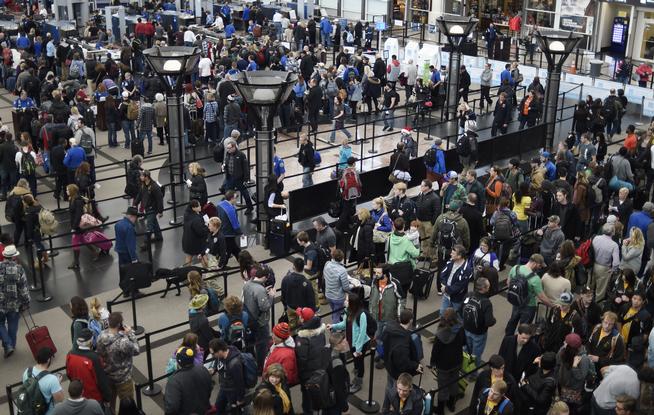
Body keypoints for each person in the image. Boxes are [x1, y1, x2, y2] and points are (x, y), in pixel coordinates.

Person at [96, 311, 140, 413]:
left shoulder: (101, 336)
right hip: (124, 378)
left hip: (108, 376)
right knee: (127, 406)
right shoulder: (123, 342)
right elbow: (137, 350)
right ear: (120, 324)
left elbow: (99, 352)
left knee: (110, 406)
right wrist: (130, 334)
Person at [329, 293, 370, 394]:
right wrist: (333, 326)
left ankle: (358, 382)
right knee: (356, 363)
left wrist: (358, 350)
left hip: (360, 344)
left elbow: (362, 333)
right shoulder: (348, 311)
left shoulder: (362, 314)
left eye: (347, 300)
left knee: (359, 364)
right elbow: (344, 324)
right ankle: (356, 379)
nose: (344, 301)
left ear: (352, 303)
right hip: (352, 342)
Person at [504, 254, 552, 336]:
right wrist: (551, 305)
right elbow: (541, 297)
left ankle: (508, 338)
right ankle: (520, 339)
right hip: (529, 306)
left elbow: (508, 283)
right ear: (535, 263)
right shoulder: (535, 278)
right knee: (524, 327)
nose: (540, 268)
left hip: (516, 301)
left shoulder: (515, 268)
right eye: (540, 265)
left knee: (513, 320)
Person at [430, 307, 465, 415]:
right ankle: (451, 404)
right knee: (454, 382)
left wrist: (433, 363)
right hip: (457, 361)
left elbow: (435, 351)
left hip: (443, 365)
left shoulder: (440, 334)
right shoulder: (460, 328)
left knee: (443, 386)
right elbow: (464, 342)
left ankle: (440, 409)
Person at [370, 265, 405, 369]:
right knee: (378, 337)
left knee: (387, 340)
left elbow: (401, 299)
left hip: (390, 318)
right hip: (377, 317)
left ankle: (386, 358)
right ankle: (381, 354)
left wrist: (399, 315)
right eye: (375, 273)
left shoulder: (394, 284)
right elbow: (372, 296)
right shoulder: (374, 282)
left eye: (378, 273)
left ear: (384, 274)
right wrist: (371, 311)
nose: (376, 275)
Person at [65, 328, 111, 405]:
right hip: (94, 398)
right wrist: (107, 397)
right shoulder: (94, 358)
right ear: (90, 341)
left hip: (79, 395)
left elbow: (69, 374)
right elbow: (101, 380)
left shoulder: (70, 354)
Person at [295, 306, 327, 413]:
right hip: (319, 368)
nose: (299, 317)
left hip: (308, 373)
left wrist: (300, 373)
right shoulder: (320, 331)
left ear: (303, 319)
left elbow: (301, 359)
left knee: (307, 396)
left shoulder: (302, 338)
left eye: (300, 316)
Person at [163, 346, 212, 415]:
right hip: (202, 409)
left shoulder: (174, 381)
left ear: (178, 362)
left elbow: (172, 408)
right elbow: (209, 388)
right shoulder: (203, 369)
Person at [0, 244, 29, 358]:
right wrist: (26, 302)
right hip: (14, 303)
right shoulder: (19, 269)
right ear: (14, 257)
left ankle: (7, 345)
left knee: (0, 323)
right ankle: (11, 344)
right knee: (13, 324)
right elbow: (23, 288)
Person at [243, 267, 274, 371]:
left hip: (249, 318)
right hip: (260, 322)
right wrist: (271, 296)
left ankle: (250, 362)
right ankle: (261, 368)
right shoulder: (259, 290)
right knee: (262, 346)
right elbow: (265, 307)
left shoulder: (247, 284)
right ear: (265, 277)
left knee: (251, 343)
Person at [556, 333, 595, 413]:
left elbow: (581, 377)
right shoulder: (564, 351)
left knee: (571, 409)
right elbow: (558, 362)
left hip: (574, 391)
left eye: (566, 342)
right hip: (562, 386)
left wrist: (574, 366)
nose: (564, 342)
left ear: (570, 347)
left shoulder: (584, 359)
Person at [463, 277, 496, 369]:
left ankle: (464, 368)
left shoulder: (469, 295)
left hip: (466, 328)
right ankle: (472, 373)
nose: (489, 287)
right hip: (479, 333)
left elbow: (461, 309)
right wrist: (494, 320)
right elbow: (489, 322)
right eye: (488, 286)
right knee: (476, 355)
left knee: (466, 351)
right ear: (484, 288)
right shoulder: (486, 302)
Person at [22, 347, 65, 415]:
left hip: (30, 409)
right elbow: (60, 399)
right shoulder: (52, 379)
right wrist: (58, 383)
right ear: (48, 360)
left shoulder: (27, 371)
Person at [208, 339, 246, 415]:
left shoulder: (234, 364)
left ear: (220, 351)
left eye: (213, 353)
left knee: (234, 411)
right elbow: (218, 362)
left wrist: (240, 398)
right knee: (218, 407)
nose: (212, 355)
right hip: (224, 387)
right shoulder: (219, 356)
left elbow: (239, 382)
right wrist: (214, 369)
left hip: (232, 391)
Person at [280, 258, 317, 330]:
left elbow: (283, 295)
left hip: (290, 307)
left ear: (293, 266)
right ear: (303, 267)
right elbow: (311, 300)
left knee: (292, 326)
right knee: (303, 326)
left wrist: (285, 306)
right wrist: (312, 312)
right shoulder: (307, 283)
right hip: (303, 311)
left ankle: (293, 337)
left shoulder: (286, 279)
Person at [439, 244, 472, 317]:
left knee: (456, 317)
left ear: (459, 256)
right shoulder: (451, 261)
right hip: (447, 294)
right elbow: (443, 273)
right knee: (442, 313)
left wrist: (446, 288)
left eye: (453, 253)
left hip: (457, 298)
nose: (450, 254)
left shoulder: (466, 270)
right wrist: (444, 285)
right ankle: (443, 327)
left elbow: (459, 286)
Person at [134, 169, 164, 250]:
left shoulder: (154, 186)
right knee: (154, 222)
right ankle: (158, 237)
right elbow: (140, 194)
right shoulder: (143, 184)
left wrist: (160, 211)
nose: (140, 177)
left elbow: (159, 199)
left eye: (142, 176)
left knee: (149, 226)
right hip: (147, 208)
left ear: (146, 177)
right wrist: (135, 203)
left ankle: (146, 243)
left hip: (152, 209)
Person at [222, 138, 253, 214]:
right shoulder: (227, 154)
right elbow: (226, 163)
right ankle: (228, 208)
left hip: (239, 179)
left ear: (234, 147)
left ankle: (250, 207)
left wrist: (246, 179)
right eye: (227, 148)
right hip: (230, 177)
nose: (228, 150)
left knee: (245, 193)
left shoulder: (241, 155)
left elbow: (246, 168)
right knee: (228, 193)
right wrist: (224, 167)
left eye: (229, 148)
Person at [592, 224, 621, 302]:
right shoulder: (614, 245)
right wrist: (613, 270)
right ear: (613, 232)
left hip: (592, 265)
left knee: (590, 286)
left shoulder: (596, 238)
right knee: (600, 291)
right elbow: (616, 262)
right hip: (604, 268)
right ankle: (597, 305)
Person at [114, 207, 139, 297]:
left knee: (123, 272)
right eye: (136, 218)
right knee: (132, 272)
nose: (136, 220)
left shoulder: (118, 224)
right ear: (132, 217)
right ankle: (134, 291)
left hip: (120, 251)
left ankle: (125, 291)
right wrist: (134, 258)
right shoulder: (129, 227)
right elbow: (130, 245)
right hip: (128, 253)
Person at [323, 249, 352, 324]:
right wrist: (351, 286)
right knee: (336, 313)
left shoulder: (327, 264)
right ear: (342, 258)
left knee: (334, 311)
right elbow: (346, 288)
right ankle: (336, 329)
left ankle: (336, 323)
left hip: (328, 294)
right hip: (338, 297)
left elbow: (324, 276)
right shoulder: (342, 270)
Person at [415, 179, 441, 263]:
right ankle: (425, 254)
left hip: (428, 222)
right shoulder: (421, 194)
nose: (421, 187)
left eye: (422, 186)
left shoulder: (435, 198)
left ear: (428, 187)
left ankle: (434, 258)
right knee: (422, 239)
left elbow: (437, 211)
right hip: (420, 221)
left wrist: (432, 222)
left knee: (431, 240)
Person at [217, 191, 243, 262]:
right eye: (235, 198)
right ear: (231, 199)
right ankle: (222, 265)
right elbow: (235, 224)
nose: (236, 200)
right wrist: (240, 233)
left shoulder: (219, 205)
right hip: (229, 233)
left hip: (222, 230)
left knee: (234, 248)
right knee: (229, 250)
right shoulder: (231, 209)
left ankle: (242, 260)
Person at [182, 200, 209, 266]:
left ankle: (187, 271)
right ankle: (207, 271)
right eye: (198, 206)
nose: (200, 206)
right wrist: (207, 227)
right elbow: (201, 232)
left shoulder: (187, 214)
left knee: (188, 258)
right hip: (197, 243)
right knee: (203, 256)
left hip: (187, 241)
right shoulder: (196, 219)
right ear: (193, 208)